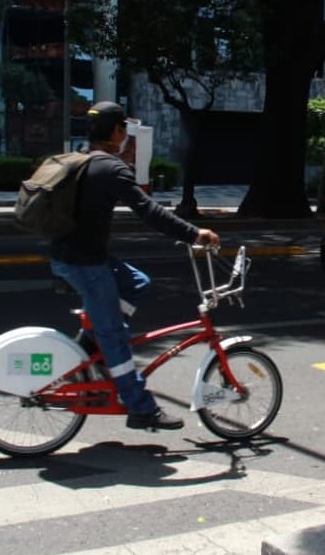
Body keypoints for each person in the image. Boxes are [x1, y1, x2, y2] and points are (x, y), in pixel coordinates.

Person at [49, 101, 220, 431]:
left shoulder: (81, 160)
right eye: (124, 129)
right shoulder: (111, 169)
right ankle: (141, 407)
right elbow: (150, 212)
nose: (126, 135)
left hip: (70, 254)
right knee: (115, 335)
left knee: (137, 281)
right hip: (84, 262)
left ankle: (91, 341)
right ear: (116, 132)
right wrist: (194, 233)